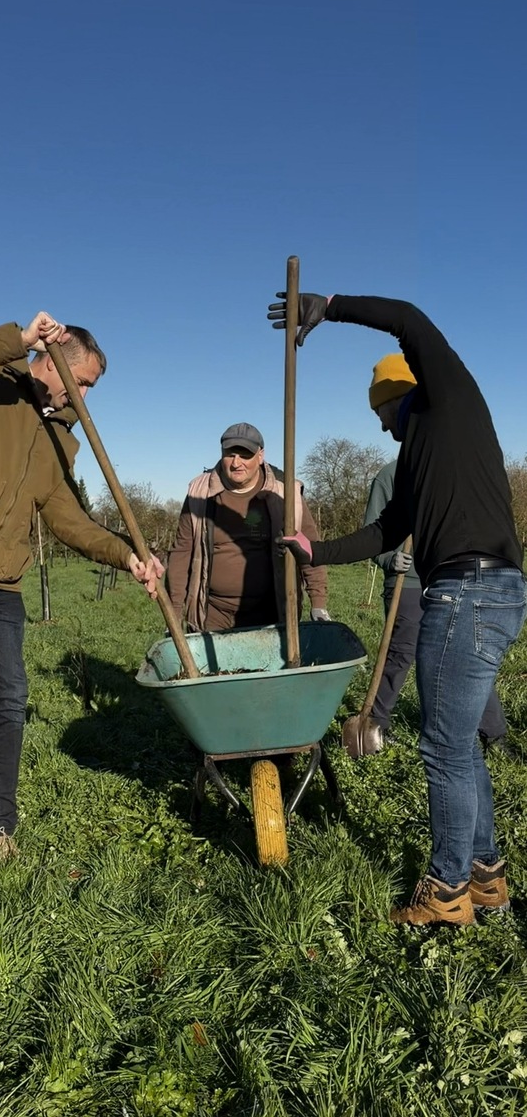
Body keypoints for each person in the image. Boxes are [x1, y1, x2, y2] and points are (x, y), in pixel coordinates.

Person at [269, 291, 526, 927]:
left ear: (396, 399)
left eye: (382, 414)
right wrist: (313, 549)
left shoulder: (447, 396)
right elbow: (388, 530)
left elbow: (409, 319)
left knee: (441, 747)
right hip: (493, 589)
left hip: (467, 590)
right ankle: (486, 874)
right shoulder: (420, 455)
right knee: (460, 742)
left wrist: (327, 306)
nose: (382, 427)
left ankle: (445, 891)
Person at [0, 312, 163, 857]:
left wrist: (126, 554)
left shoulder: (62, 440)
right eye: (81, 380)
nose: (83, 395)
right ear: (54, 354)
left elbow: (68, 518)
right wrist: (14, 340)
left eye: (89, 388)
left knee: (9, 697)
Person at [363, 457, 511, 756]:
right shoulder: (390, 476)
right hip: (409, 580)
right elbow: (372, 530)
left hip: (452, 575)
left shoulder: (455, 470)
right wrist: (389, 558)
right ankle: (373, 725)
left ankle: (493, 733)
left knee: (470, 653)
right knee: (402, 652)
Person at [166, 422, 330, 631]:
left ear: (260, 455)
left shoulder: (286, 493)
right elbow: (182, 552)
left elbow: (309, 548)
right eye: (230, 454)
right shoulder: (200, 492)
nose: (236, 463)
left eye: (245, 455)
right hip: (213, 614)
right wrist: (175, 611)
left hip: (271, 612)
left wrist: (318, 603)